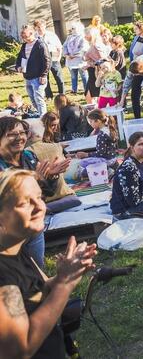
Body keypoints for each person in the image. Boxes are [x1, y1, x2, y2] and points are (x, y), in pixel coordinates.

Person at [0, 169, 98, 358]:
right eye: (24, 203)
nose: (40, 207)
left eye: (39, 197)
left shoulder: (16, 248)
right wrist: (65, 283)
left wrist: (67, 272)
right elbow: (20, 350)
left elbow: (42, 290)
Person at [0, 117, 70, 266]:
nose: (19, 137)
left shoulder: (28, 156)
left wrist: (52, 176)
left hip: (33, 228)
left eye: (22, 132)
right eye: (12, 134)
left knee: (38, 272)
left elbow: (47, 193)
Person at [17, 26, 50, 118]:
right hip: (27, 76)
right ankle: (40, 114)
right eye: (23, 37)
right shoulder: (24, 45)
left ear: (31, 34)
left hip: (38, 76)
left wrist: (44, 75)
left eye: (26, 37)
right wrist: (18, 66)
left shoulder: (40, 44)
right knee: (32, 98)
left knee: (38, 98)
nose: (24, 39)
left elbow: (47, 60)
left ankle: (44, 118)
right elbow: (20, 57)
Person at [31, 21, 63, 98]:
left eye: (41, 26)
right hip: (42, 58)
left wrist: (58, 58)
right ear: (35, 28)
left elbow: (59, 47)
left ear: (45, 26)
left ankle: (62, 94)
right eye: (38, 27)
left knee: (58, 77)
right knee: (45, 77)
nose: (40, 28)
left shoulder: (51, 35)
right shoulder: (34, 37)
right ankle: (49, 95)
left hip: (53, 56)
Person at [62, 23, 87, 95]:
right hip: (70, 60)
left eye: (74, 28)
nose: (72, 30)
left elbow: (83, 48)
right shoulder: (69, 37)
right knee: (73, 76)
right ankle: (74, 90)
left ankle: (86, 89)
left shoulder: (82, 37)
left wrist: (74, 55)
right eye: (72, 28)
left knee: (84, 75)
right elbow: (64, 46)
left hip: (79, 60)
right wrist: (67, 55)